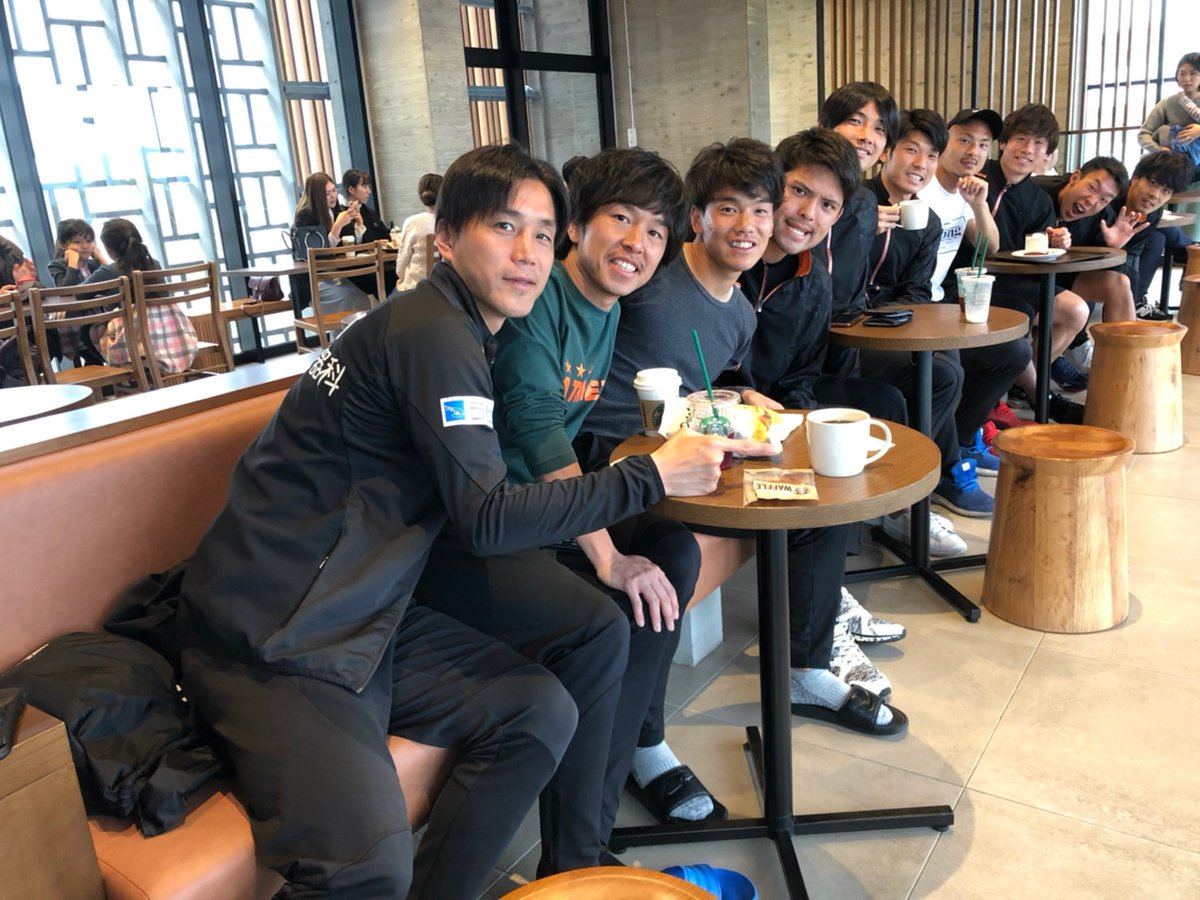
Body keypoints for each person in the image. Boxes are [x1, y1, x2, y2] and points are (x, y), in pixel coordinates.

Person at [175, 143, 766, 897]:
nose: (528, 254)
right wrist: (649, 477)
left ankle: (570, 866)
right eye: (504, 227)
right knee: (364, 871)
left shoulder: (461, 326)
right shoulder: (431, 332)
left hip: (372, 599)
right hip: (284, 624)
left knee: (537, 710)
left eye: (541, 234)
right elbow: (486, 518)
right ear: (447, 237)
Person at [579, 136, 907, 732]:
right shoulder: (651, 273)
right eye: (729, 208)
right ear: (697, 218)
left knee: (816, 494)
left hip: (687, 451)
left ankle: (805, 668)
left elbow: (697, 382)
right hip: (618, 458)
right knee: (684, 546)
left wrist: (738, 400)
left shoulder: (739, 314)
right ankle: (643, 736)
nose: (748, 225)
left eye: (760, 210)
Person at [471, 147, 725, 830]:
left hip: (548, 512)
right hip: (500, 523)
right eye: (622, 218)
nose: (637, 242)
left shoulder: (607, 306)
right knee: (613, 607)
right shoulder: (538, 301)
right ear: (576, 226)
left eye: (656, 230)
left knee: (673, 549)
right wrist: (608, 556)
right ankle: (592, 821)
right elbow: (539, 433)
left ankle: (634, 752)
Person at [955, 103, 1090, 425]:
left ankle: (1018, 382)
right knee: (1020, 314)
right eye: (1021, 139)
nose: (1028, 149)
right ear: (1003, 142)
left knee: (1077, 310)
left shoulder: (1039, 199)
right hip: (967, 277)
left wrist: (1056, 242)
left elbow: (1037, 249)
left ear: (1047, 153)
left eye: (1038, 143)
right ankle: (1041, 396)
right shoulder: (975, 175)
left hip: (1014, 280)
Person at [917, 108, 1031, 462]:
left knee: (1015, 353)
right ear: (943, 142)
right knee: (953, 367)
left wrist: (979, 206)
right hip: (917, 308)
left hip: (940, 305)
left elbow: (990, 245)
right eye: (964, 140)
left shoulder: (963, 193)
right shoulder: (921, 189)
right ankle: (945, 458)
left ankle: (965, 436)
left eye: (983, 144)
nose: (973, 151)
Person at [815, 81, 900, 378]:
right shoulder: (787, 188)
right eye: (855, 121)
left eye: (879, 129)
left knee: (941, 374)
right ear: (823, 127)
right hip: (790, 343)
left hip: (842, 340)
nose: (866, 137)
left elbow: (851, 293)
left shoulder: (865, 202)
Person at [81, 218, 199, 375]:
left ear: (108, 248)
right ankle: (142, 374)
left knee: (86, 331)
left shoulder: (110, 271)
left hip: (133, 341)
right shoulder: (154, 264)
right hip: (168, 337)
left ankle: (125, 374)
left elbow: (79, 293)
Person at [1118, 152, 1197, 320]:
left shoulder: (1154, 213)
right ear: (1135, 178)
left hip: (1122, 254)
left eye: (1165, 190)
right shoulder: (1112, 199)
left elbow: (1132, 255)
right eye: (1152, 183)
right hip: (1088, 257)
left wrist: (1130, 300)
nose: (1155, 194)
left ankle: (1137, 301)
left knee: (1157, 239)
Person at [292, 172, 372, 313]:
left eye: (334, 191)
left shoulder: (336, 211)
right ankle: (341, 328)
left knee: (362, 299)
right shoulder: (305, 216)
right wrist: (337, 226)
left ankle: (350, 328)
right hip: (314, 280)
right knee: (349, 298)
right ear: (317, 196)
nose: (333, 196)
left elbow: (348, 245)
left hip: (335, 275)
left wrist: (358, 226)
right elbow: (316, 253)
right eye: (327, 193)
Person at [395, 173, 443, 291]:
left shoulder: (413, 223)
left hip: (416, 289)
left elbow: (400, 268)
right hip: (445, 289)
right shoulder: (453, 222)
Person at [48, 219, 105, 287]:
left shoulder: (93, 264)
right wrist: (73, 264)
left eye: (89, 241)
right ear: (63, 244)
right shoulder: (56, 265)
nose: (85, 246)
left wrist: (100, 258)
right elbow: (66, 290)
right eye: (77, 242)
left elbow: (113, 281)